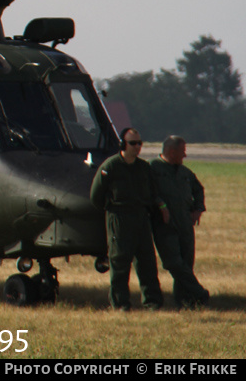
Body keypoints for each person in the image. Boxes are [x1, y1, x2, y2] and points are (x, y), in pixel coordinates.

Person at [90, 127, 166, 310]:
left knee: (147, 262)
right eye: (133, 143)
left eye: (139, 143)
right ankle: (120, 303)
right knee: (120, 262)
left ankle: (152, 301)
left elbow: (153, 192)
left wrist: (161, 207)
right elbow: (95, 196)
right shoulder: (111, 167)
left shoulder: (143, 168)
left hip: (141, 218)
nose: (137, 147)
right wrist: (112, 212)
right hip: (119, 219)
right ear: (123, 144)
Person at [151, 135, 210, 308]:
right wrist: (160, 205)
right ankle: (199, 292)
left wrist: (198, 209)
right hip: (164, 224)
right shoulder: (152, 168)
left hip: (185, 223)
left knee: (186, 263)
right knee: (173, 263)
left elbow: (198, 190)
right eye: (183, 152)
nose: (185, 156)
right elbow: (147, 191)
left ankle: (184, 301)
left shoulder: (185, 173)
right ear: (171, 151)